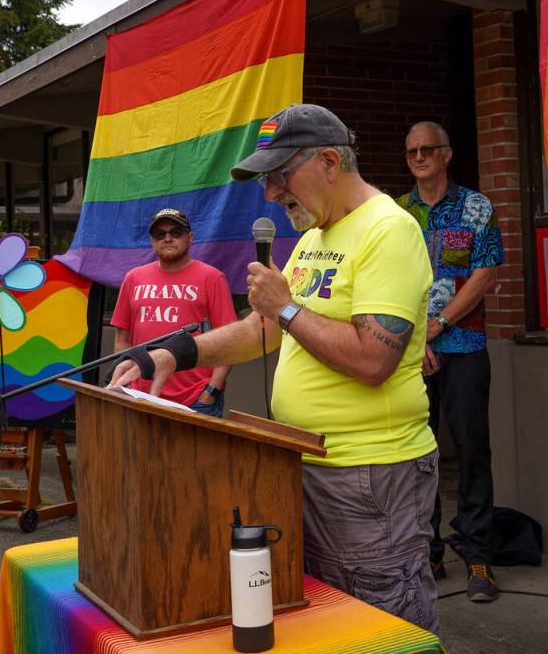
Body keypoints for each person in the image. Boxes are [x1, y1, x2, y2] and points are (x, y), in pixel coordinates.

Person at [108, 104, 440, 634]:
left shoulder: (388, 230)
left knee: (381, 628)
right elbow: (266, 329)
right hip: (304, 461)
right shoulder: (312, 238)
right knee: (327, 625)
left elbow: (373, 359)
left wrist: (286, 306)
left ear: (329, 161)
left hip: (371, 475)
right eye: (266, 180)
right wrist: (175, 353)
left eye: (280, 175)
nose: (270, 194)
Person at [395, 121, 504, 602]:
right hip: (413, 354)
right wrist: (416, 340)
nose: (419, 158)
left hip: (464, 348)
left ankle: (478, 555)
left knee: (472, 448)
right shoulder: (397, 214)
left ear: (446, 154)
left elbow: (486, 276)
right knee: (419, 453)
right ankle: (428, 551)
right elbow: (392, 281)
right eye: (411, 152)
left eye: (427, 150)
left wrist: (437, 326)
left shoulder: (476, 207)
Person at [109, 208, 236, 416]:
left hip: (195, 400)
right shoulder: (133, 278)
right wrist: (127, 383)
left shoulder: (212, 278)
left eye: (176, 232)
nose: (167, 238)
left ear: (190, 237)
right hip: (141, 396)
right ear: (152, 240)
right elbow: (122, 340)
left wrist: (211, 390)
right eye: (160, 234)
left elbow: (229, 341)